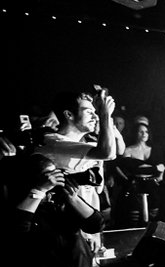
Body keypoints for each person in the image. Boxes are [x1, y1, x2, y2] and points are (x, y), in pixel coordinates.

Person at [4, 153, 104, 267]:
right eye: (48, 176)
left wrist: (73, 199)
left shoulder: (60, 198)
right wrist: (39, 192)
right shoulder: (17, 204)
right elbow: (17, 231)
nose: (55, 180)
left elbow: (95, 225)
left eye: (55, 173)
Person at [36, 88, 117, 252]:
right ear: (69, 114)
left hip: (87, 228)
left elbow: (94, 191)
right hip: (66, 235)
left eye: (95, 112)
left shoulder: (85, 148)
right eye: (88, 112)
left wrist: (95, 232)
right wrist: (105, 115)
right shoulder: (54, 143)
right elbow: (107, 152)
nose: (95, 116)